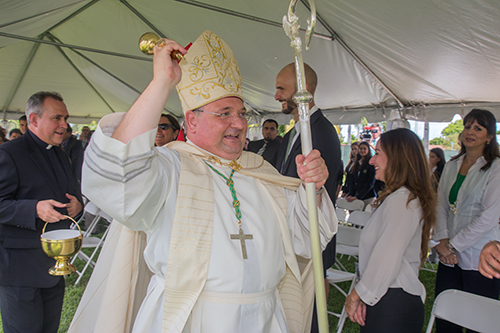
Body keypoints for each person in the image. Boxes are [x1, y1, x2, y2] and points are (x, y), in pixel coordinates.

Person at [70, 30, 337, 333]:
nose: (239, 123)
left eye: (241, 113)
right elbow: (116, 175)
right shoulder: (169, 169)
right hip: (192, 320)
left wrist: (311, 189)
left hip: (265, 319)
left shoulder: (260, 171)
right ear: (192, 121)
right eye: (224, 113)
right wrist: (161, 84)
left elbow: (304, 238)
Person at [0, 91, 83, 333]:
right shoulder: (9, 154)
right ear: (33, 120)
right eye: (56, 118)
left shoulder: (60, 153)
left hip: (54, 264)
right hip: (19, 269)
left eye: (65, 118)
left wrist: (77, 207)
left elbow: (72, 196)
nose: (64, 125)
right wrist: (34, 208)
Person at [345, 128, 436, 332]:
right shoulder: (399, 198)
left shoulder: (403, 200)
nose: (371, 160)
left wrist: (356, 295)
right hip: (385, 298)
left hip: (394, 303)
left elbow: (387, 255)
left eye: (377, 153)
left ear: (397, 158)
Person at [274, 62, 341, 333]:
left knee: (309, 312)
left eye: (281, 88)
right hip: (289, 236)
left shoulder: (321, 132)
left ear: (303, 90)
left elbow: (322, 193)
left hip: (310, 238)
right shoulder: (293, 132)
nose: (276, 95)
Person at [433, 109, 500, 333]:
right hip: (448, 256)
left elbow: (488, 218)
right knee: (446, 319)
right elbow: (440, 205)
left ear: (489, 136)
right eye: (467, 126)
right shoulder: (451, 165)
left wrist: (452, 245)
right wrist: (443, 242)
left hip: (481, 258)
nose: (470, 132)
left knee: (478, 323)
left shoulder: (496, 168)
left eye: (478, 128)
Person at [345, 141, 376, 209]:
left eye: (364, 148)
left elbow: (370, 183)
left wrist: (358, 196)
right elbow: (352, 181)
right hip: (355, 197)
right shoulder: (356, 163)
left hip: (367, 197)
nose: (362, 150)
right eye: (361, 148)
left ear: (368, 150)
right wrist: (350, 194)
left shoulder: (371, 163)